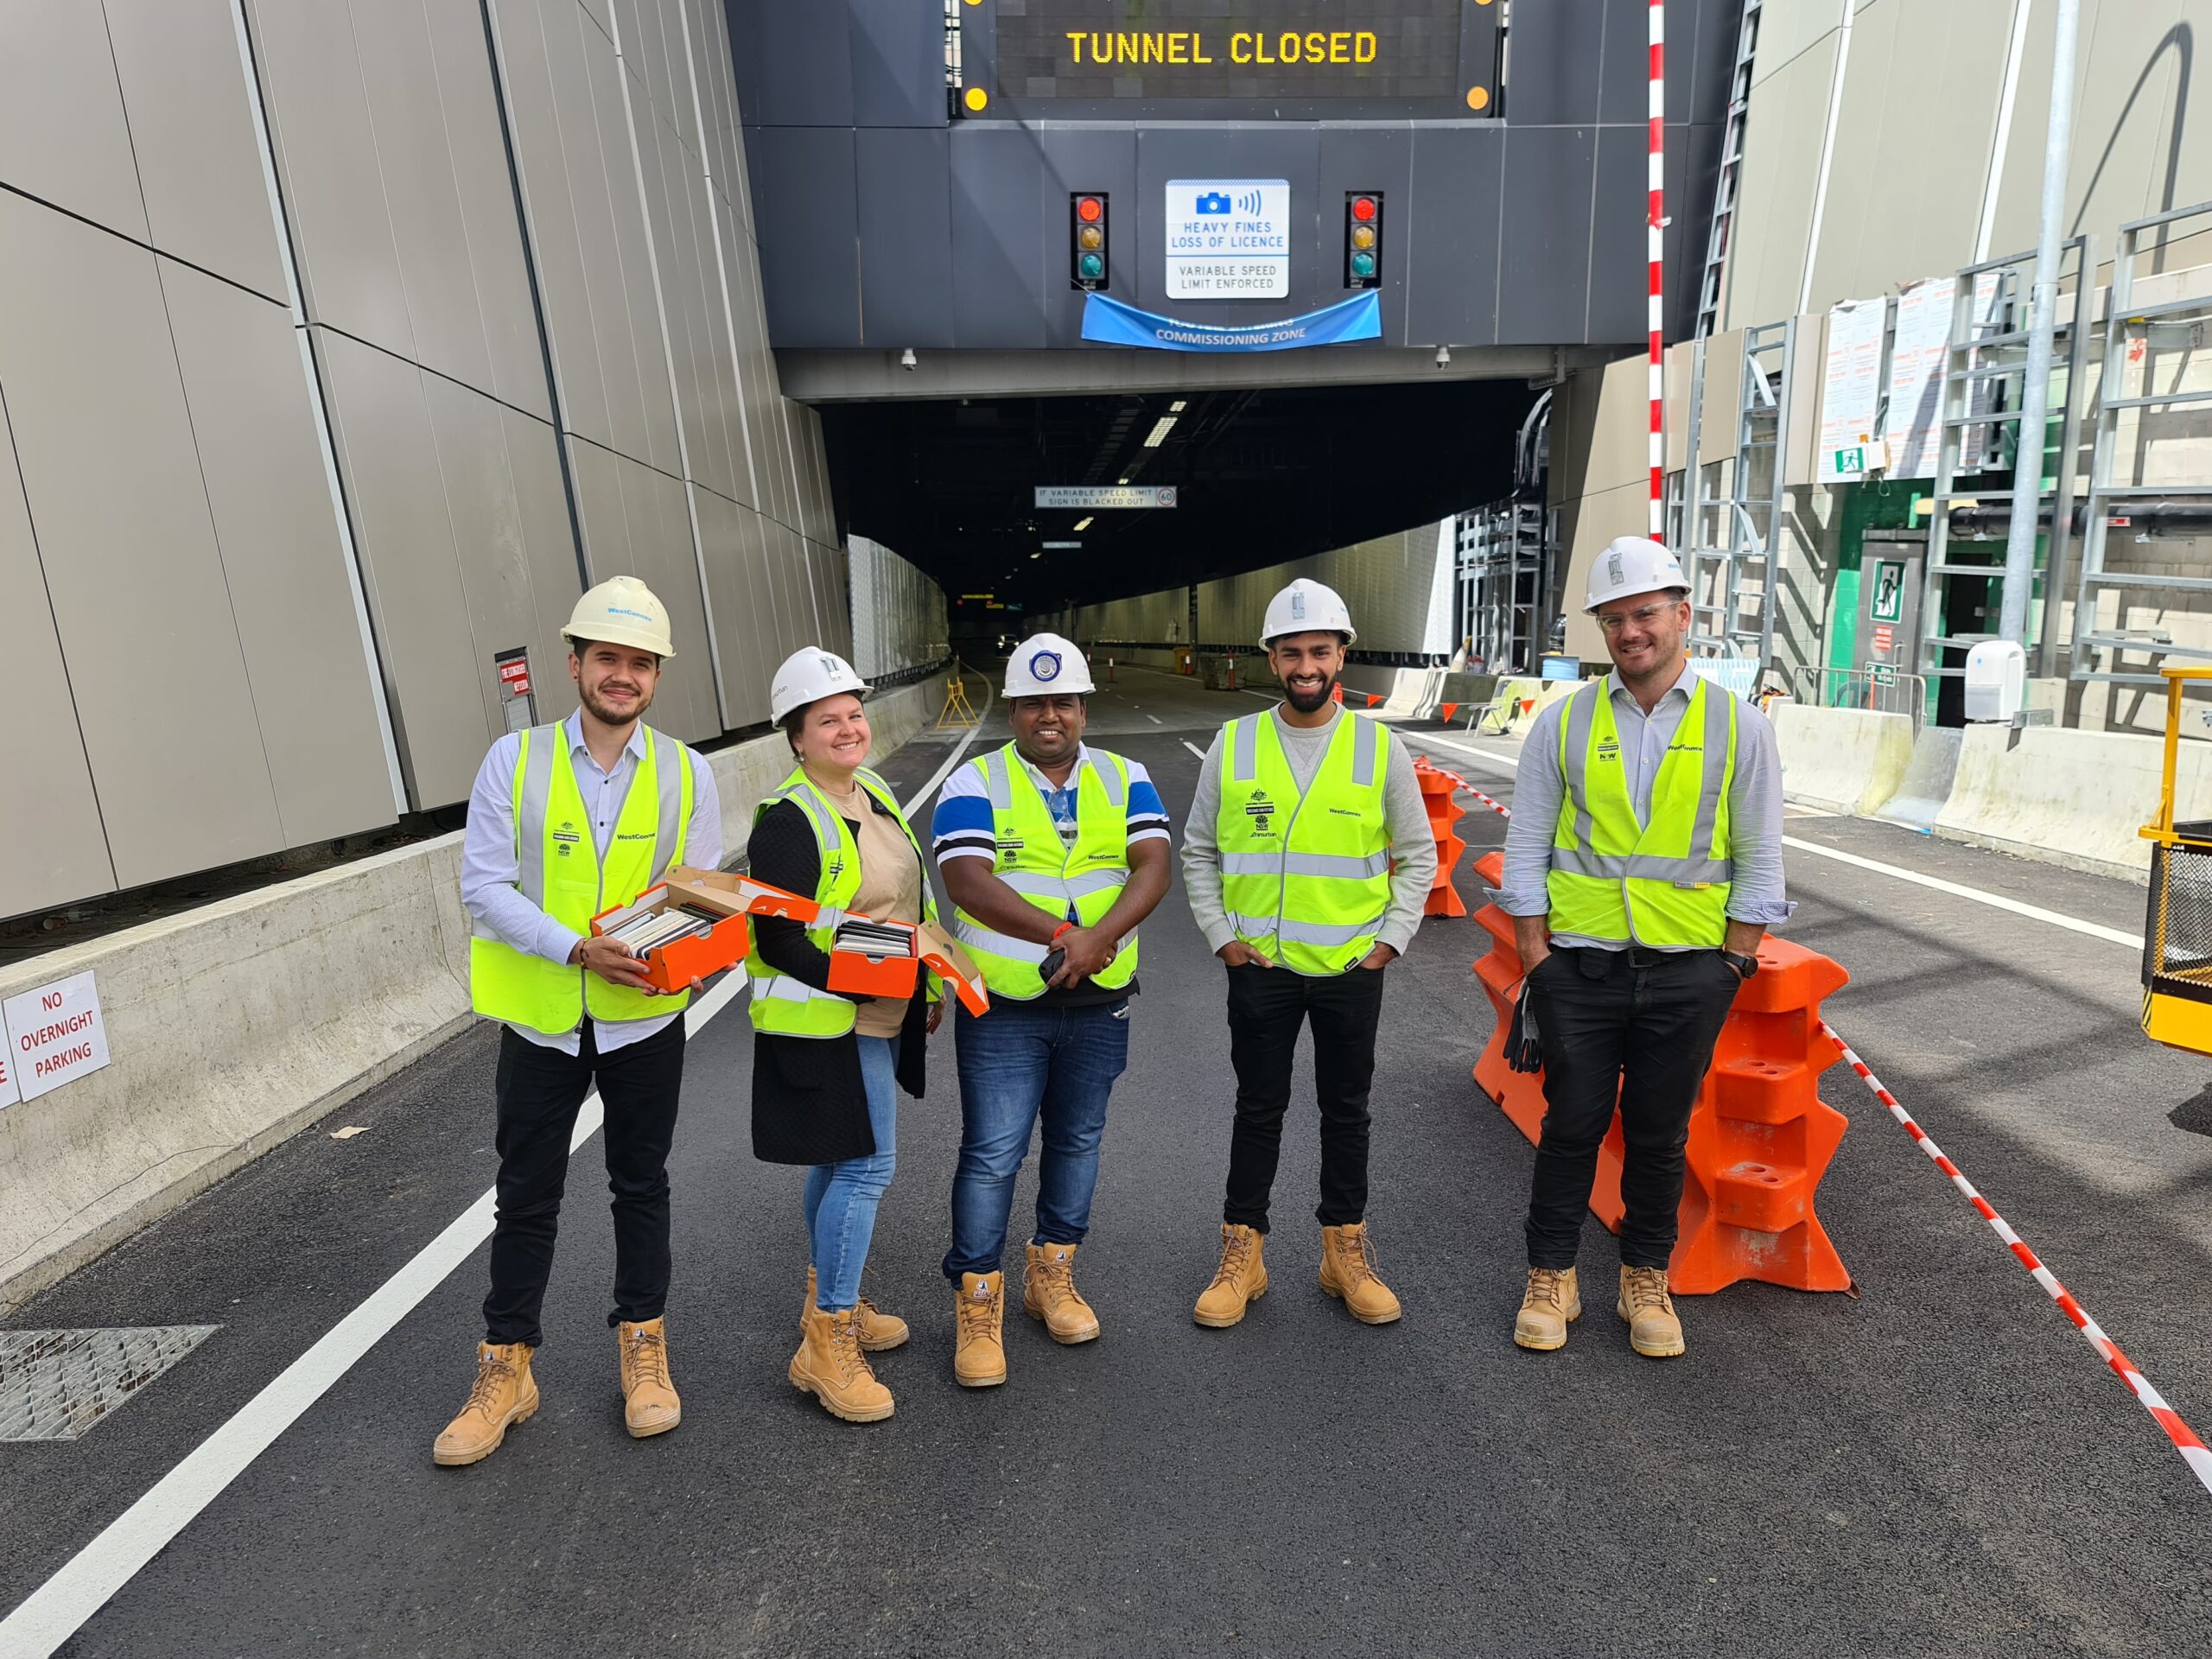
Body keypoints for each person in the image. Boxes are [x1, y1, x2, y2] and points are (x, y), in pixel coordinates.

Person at [440, 575, 720, 1466]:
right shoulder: (512, 763)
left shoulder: (685, 772)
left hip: (643, 1017)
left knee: (641, 1185)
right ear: (576, 663)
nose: (623, 675)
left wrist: (656, 948)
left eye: (640, 662)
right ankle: (506, 1367)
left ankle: (643, 1350)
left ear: (655, 675)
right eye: (608, 657)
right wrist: (574, 949)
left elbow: (701, 894)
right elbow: (483, 885)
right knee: (526, 1195)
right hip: (543, 1017)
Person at [1497, 536, 1792, 1360]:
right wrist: (1535, 958)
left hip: (1689, 972)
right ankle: (1550, 1274)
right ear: (1600, 629)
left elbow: (1760, 857)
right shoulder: (1562, 724)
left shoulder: (1739, 728)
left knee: (1660, 1133)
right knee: (1572, 1125)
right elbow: (1527, 850)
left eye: (1646, 614)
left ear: (1682, 616)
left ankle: (1644, 1275)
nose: (1631, 632)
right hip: (1578, 970)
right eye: (1614, 619)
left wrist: (1732, 964)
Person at [1181, 579, 1437, 1330]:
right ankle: (1243, 1252)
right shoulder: (1234, 745)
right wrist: (1223, 939)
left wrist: (1388, 944)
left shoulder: (1378, 746)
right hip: (1260, 968)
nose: (1305, 664)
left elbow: (1416, 857)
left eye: (1319, 651)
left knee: (1345, 1111)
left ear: (1341, 655)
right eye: (1291, 652)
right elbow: (1199, 853)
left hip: (1352, 969)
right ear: (1270, 659)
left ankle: (1343, 1252)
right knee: (1258, 1108)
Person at [931, 634, 1173, 1386]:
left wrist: (1097, 940)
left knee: (1078, 1140)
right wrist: (1067, 936)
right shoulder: (973, 782)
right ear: (1012, 709)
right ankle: (977, 1303)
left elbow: (1154, 865)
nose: (1049, 716)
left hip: (1101, 994)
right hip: (1005, 1001)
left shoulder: (1127, 776)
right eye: (1034, 703)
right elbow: (966, 881)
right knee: (994, 1152)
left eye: (1062, 702)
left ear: (1082, 710)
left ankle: (1051, 1275)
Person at [748, 646, 942, 1423]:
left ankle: (837, 1303)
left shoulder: (875, 794)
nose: (848, 727)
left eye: (854, 714)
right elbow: (777, 942)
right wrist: (867, 980)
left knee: (838, 1167)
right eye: (827, 719)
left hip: (883, 1009)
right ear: (796, 736)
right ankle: (828, 1339)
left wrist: (925, 979)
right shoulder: (790, 820)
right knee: (866, 1168)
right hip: (830, 1021)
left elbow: (905, 904)